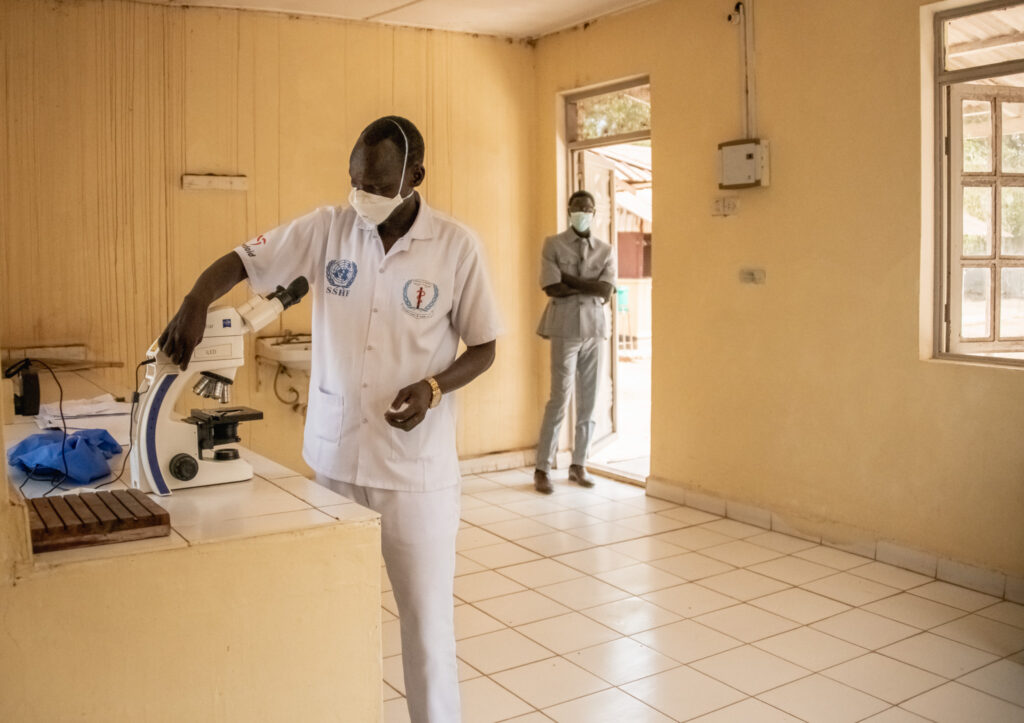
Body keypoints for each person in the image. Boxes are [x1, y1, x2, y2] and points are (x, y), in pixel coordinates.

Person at [158, 116, 501, 723]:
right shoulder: (327, 230)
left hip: (414, 476)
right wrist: (194, 300)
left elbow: (484, 348)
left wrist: (432, 387)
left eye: (373, 182)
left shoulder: (456, 246)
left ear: (414, 176)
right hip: (335, 464)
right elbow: (243, 260)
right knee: (329, 620)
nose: (360, 194)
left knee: (426, 631)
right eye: (354, 180)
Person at [533, 190, 616, 495]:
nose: (583, 212)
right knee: (559, 397)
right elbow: (552, 287)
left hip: (595, 329)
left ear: (595, 213)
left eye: (588, 208)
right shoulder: (553, 244)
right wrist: (589, 286)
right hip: (564, 328)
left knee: (589, 399)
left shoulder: (606, 250)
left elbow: (606, 291)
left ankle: (579, 464)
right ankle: (543, 467)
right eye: (577, 207)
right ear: (569, 210)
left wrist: (572, 280)